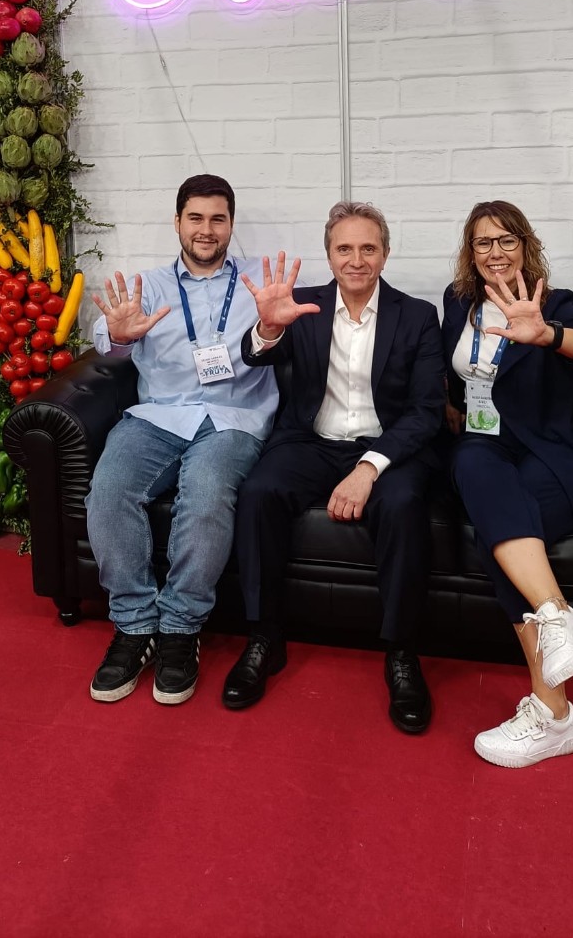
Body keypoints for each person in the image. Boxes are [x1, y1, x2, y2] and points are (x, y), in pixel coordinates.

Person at [222, 201, 446, 734]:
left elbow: (426, 411)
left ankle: (401, 651)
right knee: (259, 492)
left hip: (387, 447)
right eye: (345, 248)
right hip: (311, 441)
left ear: (385, 254)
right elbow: (256, 357)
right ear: (329, 255)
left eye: (368, 248)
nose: (356, 259)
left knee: (404, 503)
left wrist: (369, 467)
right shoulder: (303, 305)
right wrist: (268, 328)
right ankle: (264, 636)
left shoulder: (417, 316)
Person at [442, 199, 573, 768]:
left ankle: (554, 714)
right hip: (490, 443)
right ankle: (557, 619)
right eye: (483, 242)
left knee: (498, 535)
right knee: (469, 461)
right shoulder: (457, 302)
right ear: (470, 252)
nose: (495, 252)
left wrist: (547, 333)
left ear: (525, 246)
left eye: (507, 240)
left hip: (557, 451)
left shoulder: (553, 301)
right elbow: (457, 379)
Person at [86, 174, 278, 707]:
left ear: (231, 225)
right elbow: (107, 340)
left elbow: (279, 333)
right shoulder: (147, 286)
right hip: (158, 416)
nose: (206, 229)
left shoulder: (259, 282)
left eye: (218, 218)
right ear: (177, 222)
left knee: (207, 492)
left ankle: (179, 628)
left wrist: (273, 328)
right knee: (109, 489)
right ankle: (134, 626)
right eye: (195, 217)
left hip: (234, 418)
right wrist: (118, 335)